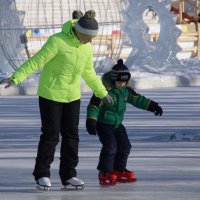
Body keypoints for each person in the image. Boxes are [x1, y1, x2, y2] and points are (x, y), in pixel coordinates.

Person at [0, 10, 113, 190]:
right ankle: (42, 174)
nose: (90, 41)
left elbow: (89, 72)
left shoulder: (86, 47)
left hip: (72, 96)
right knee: (50, 136)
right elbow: (37, 61)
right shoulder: (57, 41)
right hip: (50, 94)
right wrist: (16, 77)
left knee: (72, 136)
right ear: (80, 32)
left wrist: (102, 92)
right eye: (88, 37)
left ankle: (68, 175)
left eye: (92, 38)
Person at [86, 59, 163, 185]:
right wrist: (91, 121)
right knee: (110, 147)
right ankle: (105, 171)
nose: (122, 84)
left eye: (124, 81)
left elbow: (139, 100)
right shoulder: (103, 90)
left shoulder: (126, 90)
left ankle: (118, 169)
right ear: (113, 79)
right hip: (103, 124)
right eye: (119, 81)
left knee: (125, 146)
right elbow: (94, 106)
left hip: (117, 124)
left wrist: (153, 106)